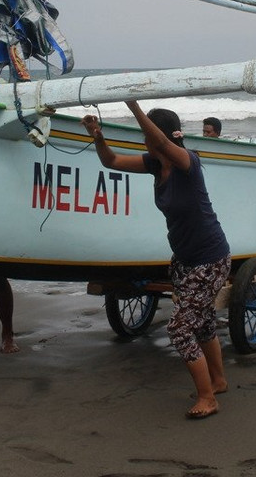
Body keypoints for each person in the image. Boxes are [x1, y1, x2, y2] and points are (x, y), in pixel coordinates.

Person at [82, 102, 231, 419]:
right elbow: (111, 161)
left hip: (210, 259)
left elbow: (162, 142)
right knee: (201, 322)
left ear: (158, 135)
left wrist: (132, 104)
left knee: (179, 329)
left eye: (146, 131)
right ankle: (217, 381)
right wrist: (98, 137)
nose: (143, 137)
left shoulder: (185, 162)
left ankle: (208, 397)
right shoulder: (154, 163)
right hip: (185, 259)